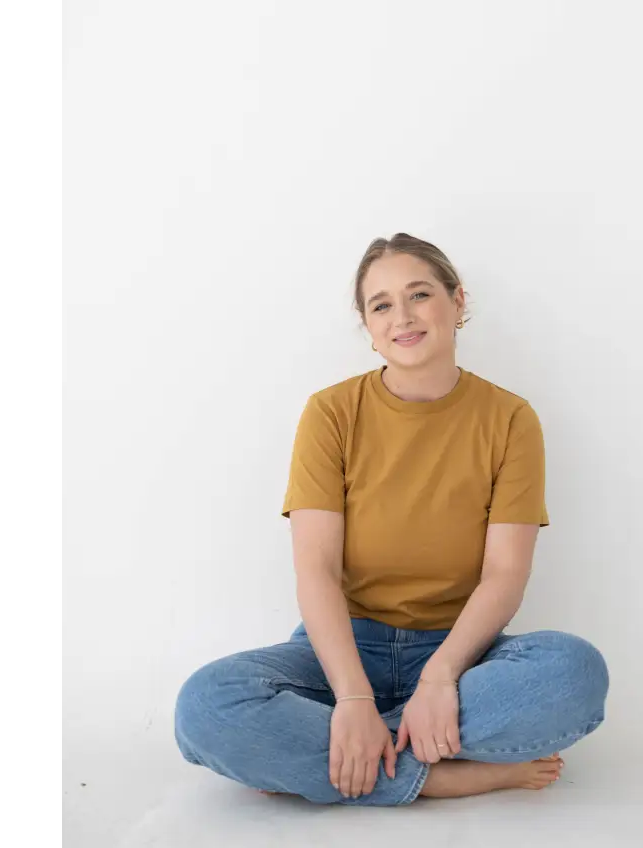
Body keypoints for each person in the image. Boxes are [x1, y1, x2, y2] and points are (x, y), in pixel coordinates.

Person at [174, 233, 609, 806]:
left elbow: (505, 573)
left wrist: (440, 678)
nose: (402, 315)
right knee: (206, 704)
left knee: (575, 672)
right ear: (369, 326)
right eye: (381, 304)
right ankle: (432, 773)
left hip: (459, 652)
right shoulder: (331, 412)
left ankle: (342, 759)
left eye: (420, 294)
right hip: (343, 653)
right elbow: (318, 571)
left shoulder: (510, 418)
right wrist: (352, 700)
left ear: (457, 302)